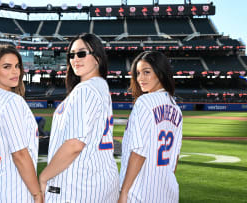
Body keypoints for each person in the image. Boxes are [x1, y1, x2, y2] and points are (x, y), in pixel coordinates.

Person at [39, 33, 119, 202]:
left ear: (97, 57)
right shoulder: (102, 86)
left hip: (77, 186)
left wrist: (44, 177)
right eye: (71, 55)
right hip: (101, 182)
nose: (75, 59)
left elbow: (74, 144)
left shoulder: (85, 90)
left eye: (82, 53)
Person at [0, 44, 42, 203]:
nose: (15, 72)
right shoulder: (12, 101)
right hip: (12, 192)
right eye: (7, 67)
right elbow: (20, 154)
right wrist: (36, 193)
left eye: (17, 66)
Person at [118, 51, 183, 203]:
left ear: (160, 73)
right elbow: (175, 158)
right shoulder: (176, 109)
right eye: (138, 73)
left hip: (139, 192)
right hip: (167, 191)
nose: (140, 78)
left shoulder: (144, 102)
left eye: (146, 72)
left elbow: (139, 152)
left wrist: (124, 191)